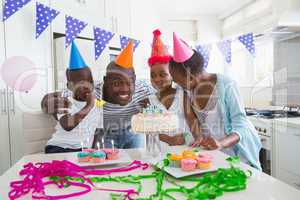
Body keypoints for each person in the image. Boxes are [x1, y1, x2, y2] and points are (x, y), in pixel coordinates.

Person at [168, 33, 262, 169]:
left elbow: (242, 125)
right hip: (212, 156)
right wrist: (199, 136)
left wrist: (221, 143)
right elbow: (191, 118)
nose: (175, 84)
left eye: (178, 81)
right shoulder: (187, 90)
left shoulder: (227, 85)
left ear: (191, 77)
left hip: (237, 156)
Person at [41, 40, 152, 149]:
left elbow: (165, 94)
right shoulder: (90, 91)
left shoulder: (142, 89)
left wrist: (153, 107)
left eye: (129, 82)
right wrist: (47, 102)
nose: (124, 89)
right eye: (117, 83)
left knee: (137, 162)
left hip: (132, 132)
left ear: (135, 80)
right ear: (106, 81)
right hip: (105, 135)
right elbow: (53, 97)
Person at [45, 42, 103, 153]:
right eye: (81, 83)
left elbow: (99, 130)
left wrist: (96, 150)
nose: (87, 86)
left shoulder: (99, 104)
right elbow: (67, 125)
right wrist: (89, 106)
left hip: (83, 150)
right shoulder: (63, 102)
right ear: (70, 86)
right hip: (59, 147)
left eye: (90, 82)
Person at [147, 29, 197, 146]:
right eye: (152, 75)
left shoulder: (182, 95)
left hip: (185, 147)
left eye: (162, 74)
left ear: (172, 74)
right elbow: (149, 129)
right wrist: (169, 139)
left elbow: (192, 121)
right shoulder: (149, 101)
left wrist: (198, 139)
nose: (157, 79)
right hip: (160, 150)